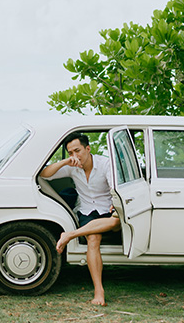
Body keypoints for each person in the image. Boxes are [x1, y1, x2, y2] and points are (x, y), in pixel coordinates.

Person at [40, 131, 120, 306]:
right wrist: (65, 161)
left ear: (88, 149)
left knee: (116, 221)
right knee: (93, 239)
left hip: (107, 209)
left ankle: (70, 235)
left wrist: (116, 203)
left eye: (77, 151)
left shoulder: (105, 164)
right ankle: (99, 291)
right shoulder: (71, 166)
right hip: (86, 211)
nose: (74, 156)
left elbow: (115, 187)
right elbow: (45, 174)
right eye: (70, 153)